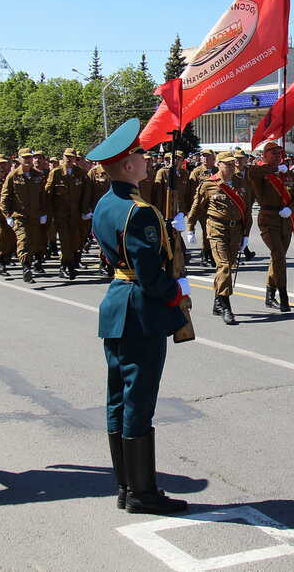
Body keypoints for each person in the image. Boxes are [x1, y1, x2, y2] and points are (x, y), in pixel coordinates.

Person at [86, 118, 189, 515]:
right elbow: (148, 274)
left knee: (118, 397)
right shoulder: (139, 212)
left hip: (117, 304)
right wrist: (175, 292)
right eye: (141, 156)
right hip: (140, 310)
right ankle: (142, 494)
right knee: (139, 400)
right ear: (128, 166)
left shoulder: (106, 203)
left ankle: (126, 486)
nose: (147, 160)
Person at [186, 152, 253, 325]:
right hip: (216, 228)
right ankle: (226, 306)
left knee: (228, 266)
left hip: (236, 230)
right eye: (227, 164)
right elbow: (197, 206)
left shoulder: (241, 182)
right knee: (224, 266)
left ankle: (217, 301)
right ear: (218, 164)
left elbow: (247, 210)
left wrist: (246, 233)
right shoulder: (209, 184)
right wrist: (190, 227)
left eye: (233, 164)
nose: (231, 167)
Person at [247, 142, 294, 312]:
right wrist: (274, 169)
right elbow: (251, 173)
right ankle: (283, 295)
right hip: (268, 218)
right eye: (273, 153)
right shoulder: (260, 172)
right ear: (264, 155)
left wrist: (292, 208)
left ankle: (269, 294)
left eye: (279, 153)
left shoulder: (287, 174)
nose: (277, 156)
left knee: (278, 258)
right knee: (279, 255)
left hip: (285, 219)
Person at [1, 148, 50, 283]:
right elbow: (5, 197)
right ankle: (26, 267)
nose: (28, 160)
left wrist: (43, 213)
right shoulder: (13, 175)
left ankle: (29, 263)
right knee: (23, 240)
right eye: (25, 157)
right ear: (19, 159)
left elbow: (43, 196)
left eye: (29, 157)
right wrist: (7, 215)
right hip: (19, 216)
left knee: (33, 242)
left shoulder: (38, 175)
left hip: (35, 216)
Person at [46, 148, 91, 280]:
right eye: (67, 156)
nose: (69, 159)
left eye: (71, 157)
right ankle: (65, 266)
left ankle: (70, 263)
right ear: (63, 157)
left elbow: (86, 193)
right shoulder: (56, 172)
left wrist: (85, 210)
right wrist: (49, 213)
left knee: (75, 241)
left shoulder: (81, 173)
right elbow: (48, 193)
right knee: (65, 241)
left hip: (76, 214)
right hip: (61, 214)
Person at [187, 149, 217, 267]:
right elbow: (191, 190)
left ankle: (209, 254)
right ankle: (206, 255)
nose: (204, 158)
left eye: (207, 156)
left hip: (213, 206)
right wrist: (191, 207)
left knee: (210, 232)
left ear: (213, 158)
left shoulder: (217, 171)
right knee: (206, 231)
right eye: (203, 156)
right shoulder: (197, 172)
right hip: (200, 206)